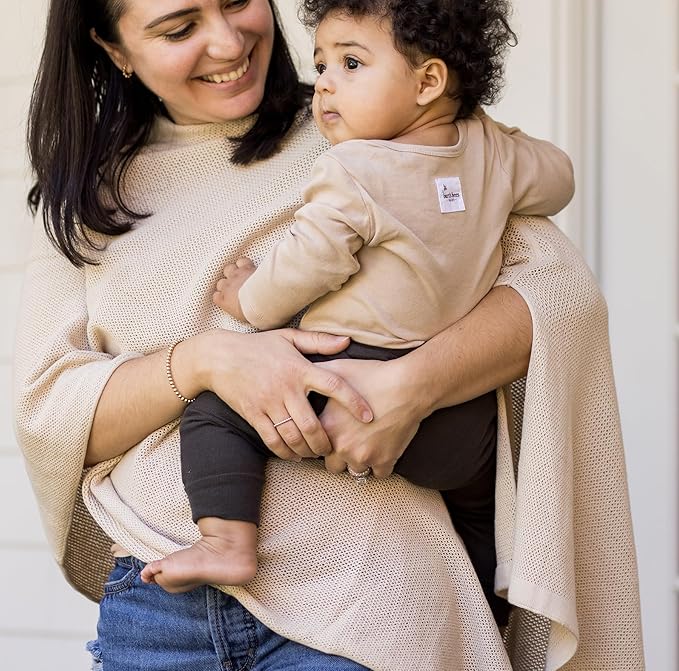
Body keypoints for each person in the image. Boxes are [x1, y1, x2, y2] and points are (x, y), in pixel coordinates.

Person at [13, 0, 644, 670]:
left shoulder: (376, 121)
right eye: (180, 28)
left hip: (373, 604)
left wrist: (410, 387)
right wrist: (207, 361)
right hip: (158, 613)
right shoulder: (86, 198)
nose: (227, 42)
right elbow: (52, 409)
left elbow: (560, 298)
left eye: (237, 1)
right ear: (114, 50)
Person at [138, 0, 574, 609]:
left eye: (350, 64)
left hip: (350, 380)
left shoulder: (353, 169)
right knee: (479, 507)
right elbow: (558, 180)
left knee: (214, 415)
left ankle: (227, 541)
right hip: (460, 411)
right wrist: (487, 135)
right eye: (321, 65)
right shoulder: (491, 152)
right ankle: (489, 604)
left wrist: (249, 297)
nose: (324, 85)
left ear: (428, 81)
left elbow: (308, 263)